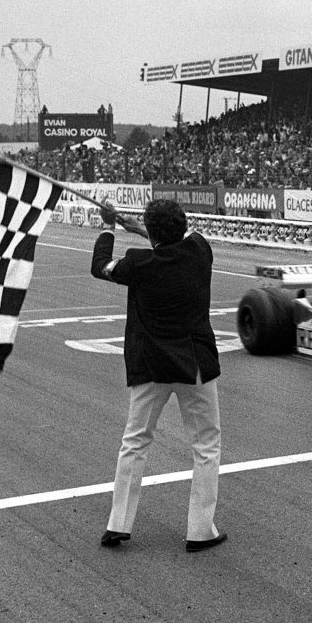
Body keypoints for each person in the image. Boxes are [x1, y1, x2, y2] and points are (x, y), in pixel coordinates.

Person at [91, 198, 226, 553]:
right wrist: (139, 227)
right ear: (182, 227)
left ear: (151, 234)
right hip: (193, 362)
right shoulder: (200, 251)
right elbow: (181, 236)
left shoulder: (139, 263)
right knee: (206, 446)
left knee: (134, 442)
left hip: (150, 365)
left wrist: (109, 225)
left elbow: (100, 266)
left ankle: (118, 524)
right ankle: (200, 529)